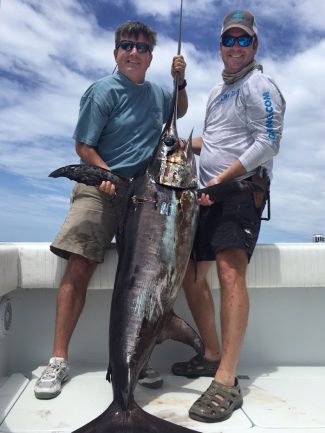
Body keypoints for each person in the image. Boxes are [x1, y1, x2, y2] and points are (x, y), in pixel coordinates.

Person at [34, 21, 188, 400]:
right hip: (101, 189)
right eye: (125, 45)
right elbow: (83, 147)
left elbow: (178, 112)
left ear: (151, 56)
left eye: (141, 47)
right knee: (81, 263)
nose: (133, 52)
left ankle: (138, 356)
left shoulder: (157, 93)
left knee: (145, 279)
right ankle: (57, 359)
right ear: (116, 52)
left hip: (145, 198)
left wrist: (179, 82)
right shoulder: (102, 91)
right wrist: (106, 175)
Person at [171, 10, 286, 422]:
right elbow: (215, 139)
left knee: (229, 272)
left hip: (239, 193)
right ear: (220, 47)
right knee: (190, 273)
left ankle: (226, 380)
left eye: (243, 40)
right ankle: (210, 352)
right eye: (228, 40)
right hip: (205, 195)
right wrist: (184, 144)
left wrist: (222, 178)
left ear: (254, 46)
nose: (235, 47)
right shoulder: (217, 91)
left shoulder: (261, 85)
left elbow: (268, 142)